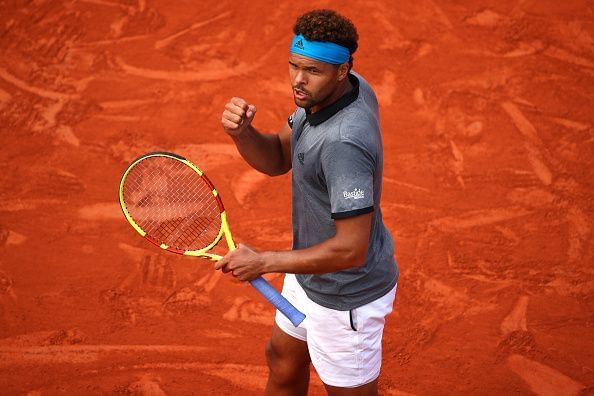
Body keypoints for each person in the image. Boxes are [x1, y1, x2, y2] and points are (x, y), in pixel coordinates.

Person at [216, 9, 399, 396]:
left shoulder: (343, 143)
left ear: (341, 69)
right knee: (283, 362)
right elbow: (278, 158)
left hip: (347, 295)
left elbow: (351, 249)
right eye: (293, 66)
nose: (298, 81)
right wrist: (244, 134)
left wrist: (264, 261)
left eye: (312, 71)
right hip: (309, 272)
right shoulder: (336, 91)